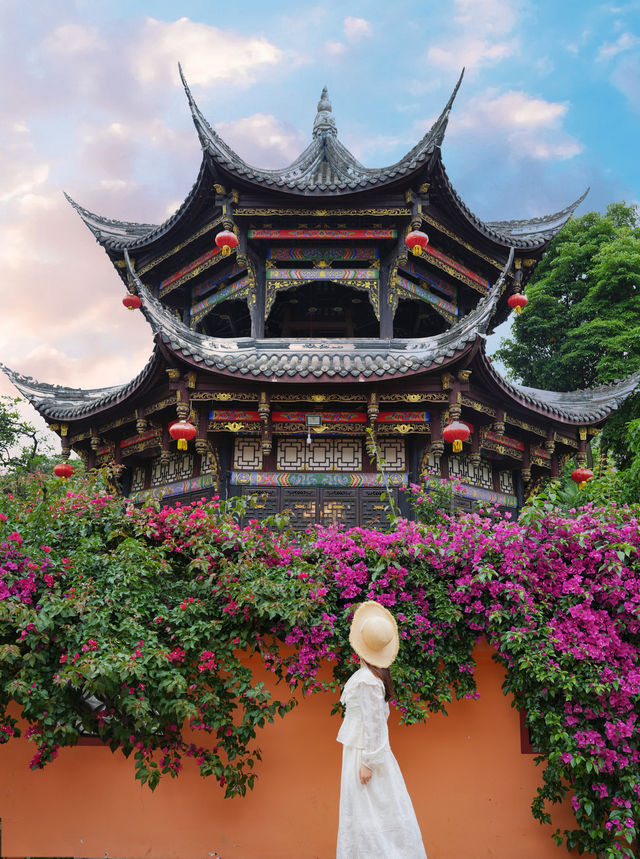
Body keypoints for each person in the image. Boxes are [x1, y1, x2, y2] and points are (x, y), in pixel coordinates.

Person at [336, 600, 427, 858]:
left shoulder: (367, 681)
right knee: (372, 814)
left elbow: (375, 725)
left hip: (365, 755)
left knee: (371, 814)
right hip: (365, 753)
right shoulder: (372, 677)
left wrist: (368, 762)